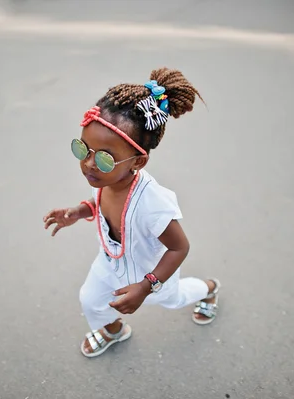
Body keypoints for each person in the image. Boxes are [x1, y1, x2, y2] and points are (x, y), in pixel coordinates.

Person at [43, 67, 220, 358]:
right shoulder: (102, 179)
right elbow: (99, 205)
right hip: (110, 264)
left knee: (175, 300)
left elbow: (179, 247)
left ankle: (210, 288)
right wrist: (78, 211)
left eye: (103, 157)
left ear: (137, 162)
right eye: (83, 149)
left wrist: (147, 286)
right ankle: (114, 330)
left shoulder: (153, 203)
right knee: (89, 298)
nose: (89, 164)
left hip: (150, 273)